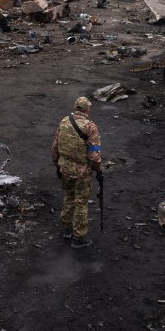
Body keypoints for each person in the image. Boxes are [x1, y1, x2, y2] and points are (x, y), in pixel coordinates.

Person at [51, 96, 102, 248]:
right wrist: (97, 170)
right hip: (82, 172)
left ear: (75, 108)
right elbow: (94, 155)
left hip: (65, 169)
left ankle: (67, 229)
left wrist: (57, 165)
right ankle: (78, 237)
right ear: (87, 109)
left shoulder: (64, 121)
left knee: (68, 197)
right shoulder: (91, 127)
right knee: (81, 203)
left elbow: (55, 147)